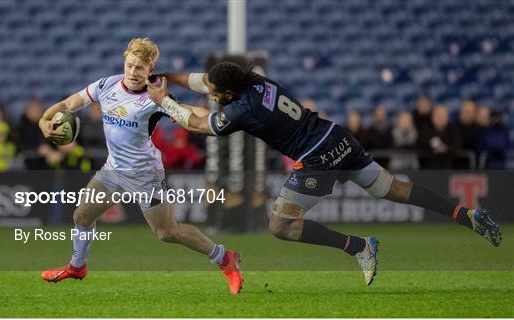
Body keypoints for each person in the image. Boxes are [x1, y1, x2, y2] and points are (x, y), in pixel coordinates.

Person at [146, 62, 502, 286]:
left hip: (316, 157)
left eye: (213, 92)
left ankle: (359, 247)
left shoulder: (241, 110)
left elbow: (197, 124)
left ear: (227, 93)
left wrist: (163, 101)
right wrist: (167, 78)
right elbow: (204, 81)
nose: (209, 92)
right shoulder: (254, 80)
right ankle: (466, 214)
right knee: (392, 189)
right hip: (337, 136)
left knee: (280, 226)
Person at [37, 39, 242, 294]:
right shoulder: (106, 85)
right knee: (82, 215)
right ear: (125, 62)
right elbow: (68, 105)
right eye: (130, 65)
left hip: (145, 174)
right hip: (114, 169)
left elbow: (187, 113)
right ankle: (77, 267)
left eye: (140, 67)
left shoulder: (155, 96)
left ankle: (224, 257)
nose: (134, 72)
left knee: (167, 233)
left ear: (150, 69)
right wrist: (44, 122)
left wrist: (222, 121)